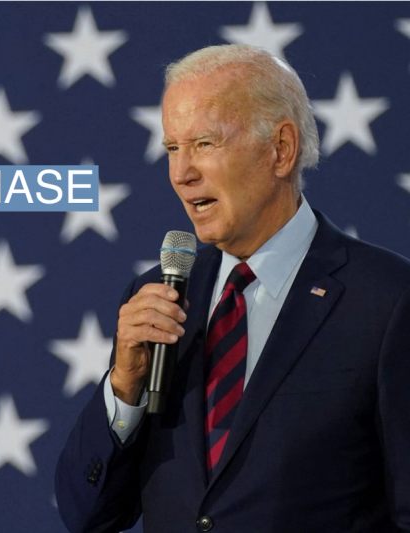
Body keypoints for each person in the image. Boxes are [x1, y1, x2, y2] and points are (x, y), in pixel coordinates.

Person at [55, 44, 410, 533]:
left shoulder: (387, 300)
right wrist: (124, 386)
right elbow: (87, 515)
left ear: (280, 149)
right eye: (173, 149)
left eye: (204, 144)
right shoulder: (159, 295)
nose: (182, 174)